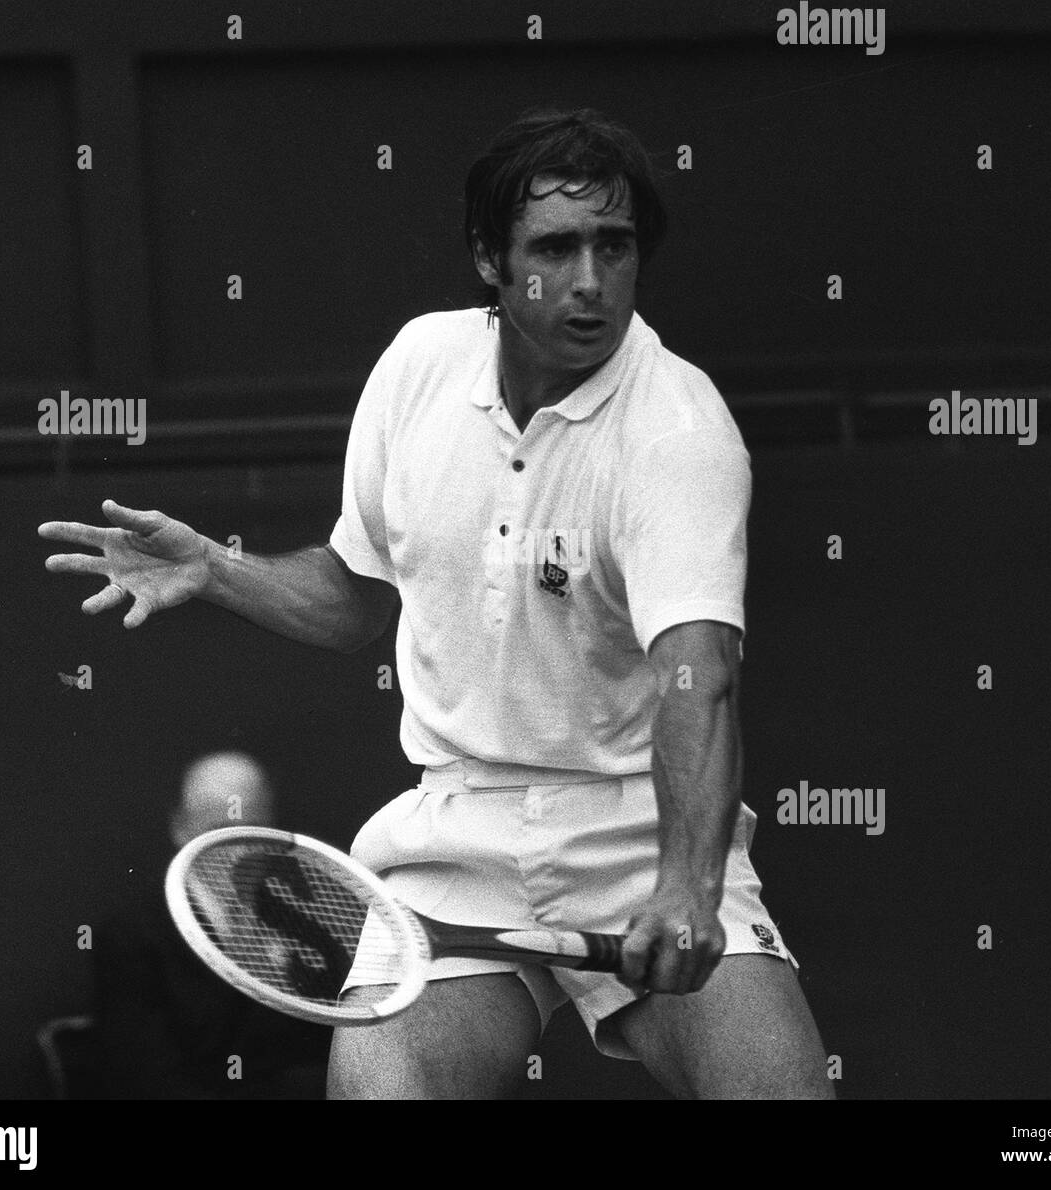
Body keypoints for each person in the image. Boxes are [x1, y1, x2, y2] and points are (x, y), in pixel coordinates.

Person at [41, 107, 832, 1100]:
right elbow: (352, 599)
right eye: (554, 247)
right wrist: (219, 567)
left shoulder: (677, 431)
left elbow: (697, 673)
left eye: (614, 245)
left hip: (638, 827)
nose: (590, 281)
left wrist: (685, 886)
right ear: (488, 258)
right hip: (453, 829)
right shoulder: (418, 367)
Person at [93, 752, 330, 1098]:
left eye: (250, 830)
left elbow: (325, 1055)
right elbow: (147, 1077)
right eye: (216, 832)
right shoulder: (131, 938)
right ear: (180, 828)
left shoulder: (311, 924)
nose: (235, 849)